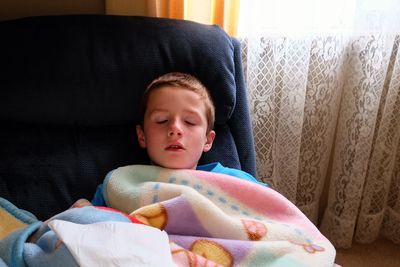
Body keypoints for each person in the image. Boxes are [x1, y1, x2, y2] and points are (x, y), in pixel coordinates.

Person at [92, 72, 266, 206]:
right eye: (162, 120)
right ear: (142, 136)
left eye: (189, 122)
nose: (175, 129)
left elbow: (278, 215)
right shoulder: (121, 184)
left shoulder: (235, 182)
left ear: (208, 140)